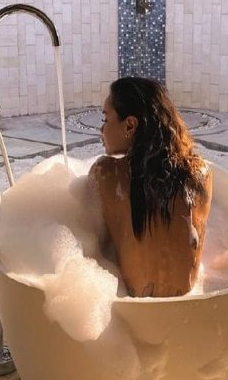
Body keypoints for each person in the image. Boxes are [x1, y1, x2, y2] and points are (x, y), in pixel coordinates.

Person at [89, 77, 213, 298]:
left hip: (133, 309)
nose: (101, 129)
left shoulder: (105, 174)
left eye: (105, 119)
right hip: (190, 304)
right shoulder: (200, 174)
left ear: (130, 125)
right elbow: (194, 250)